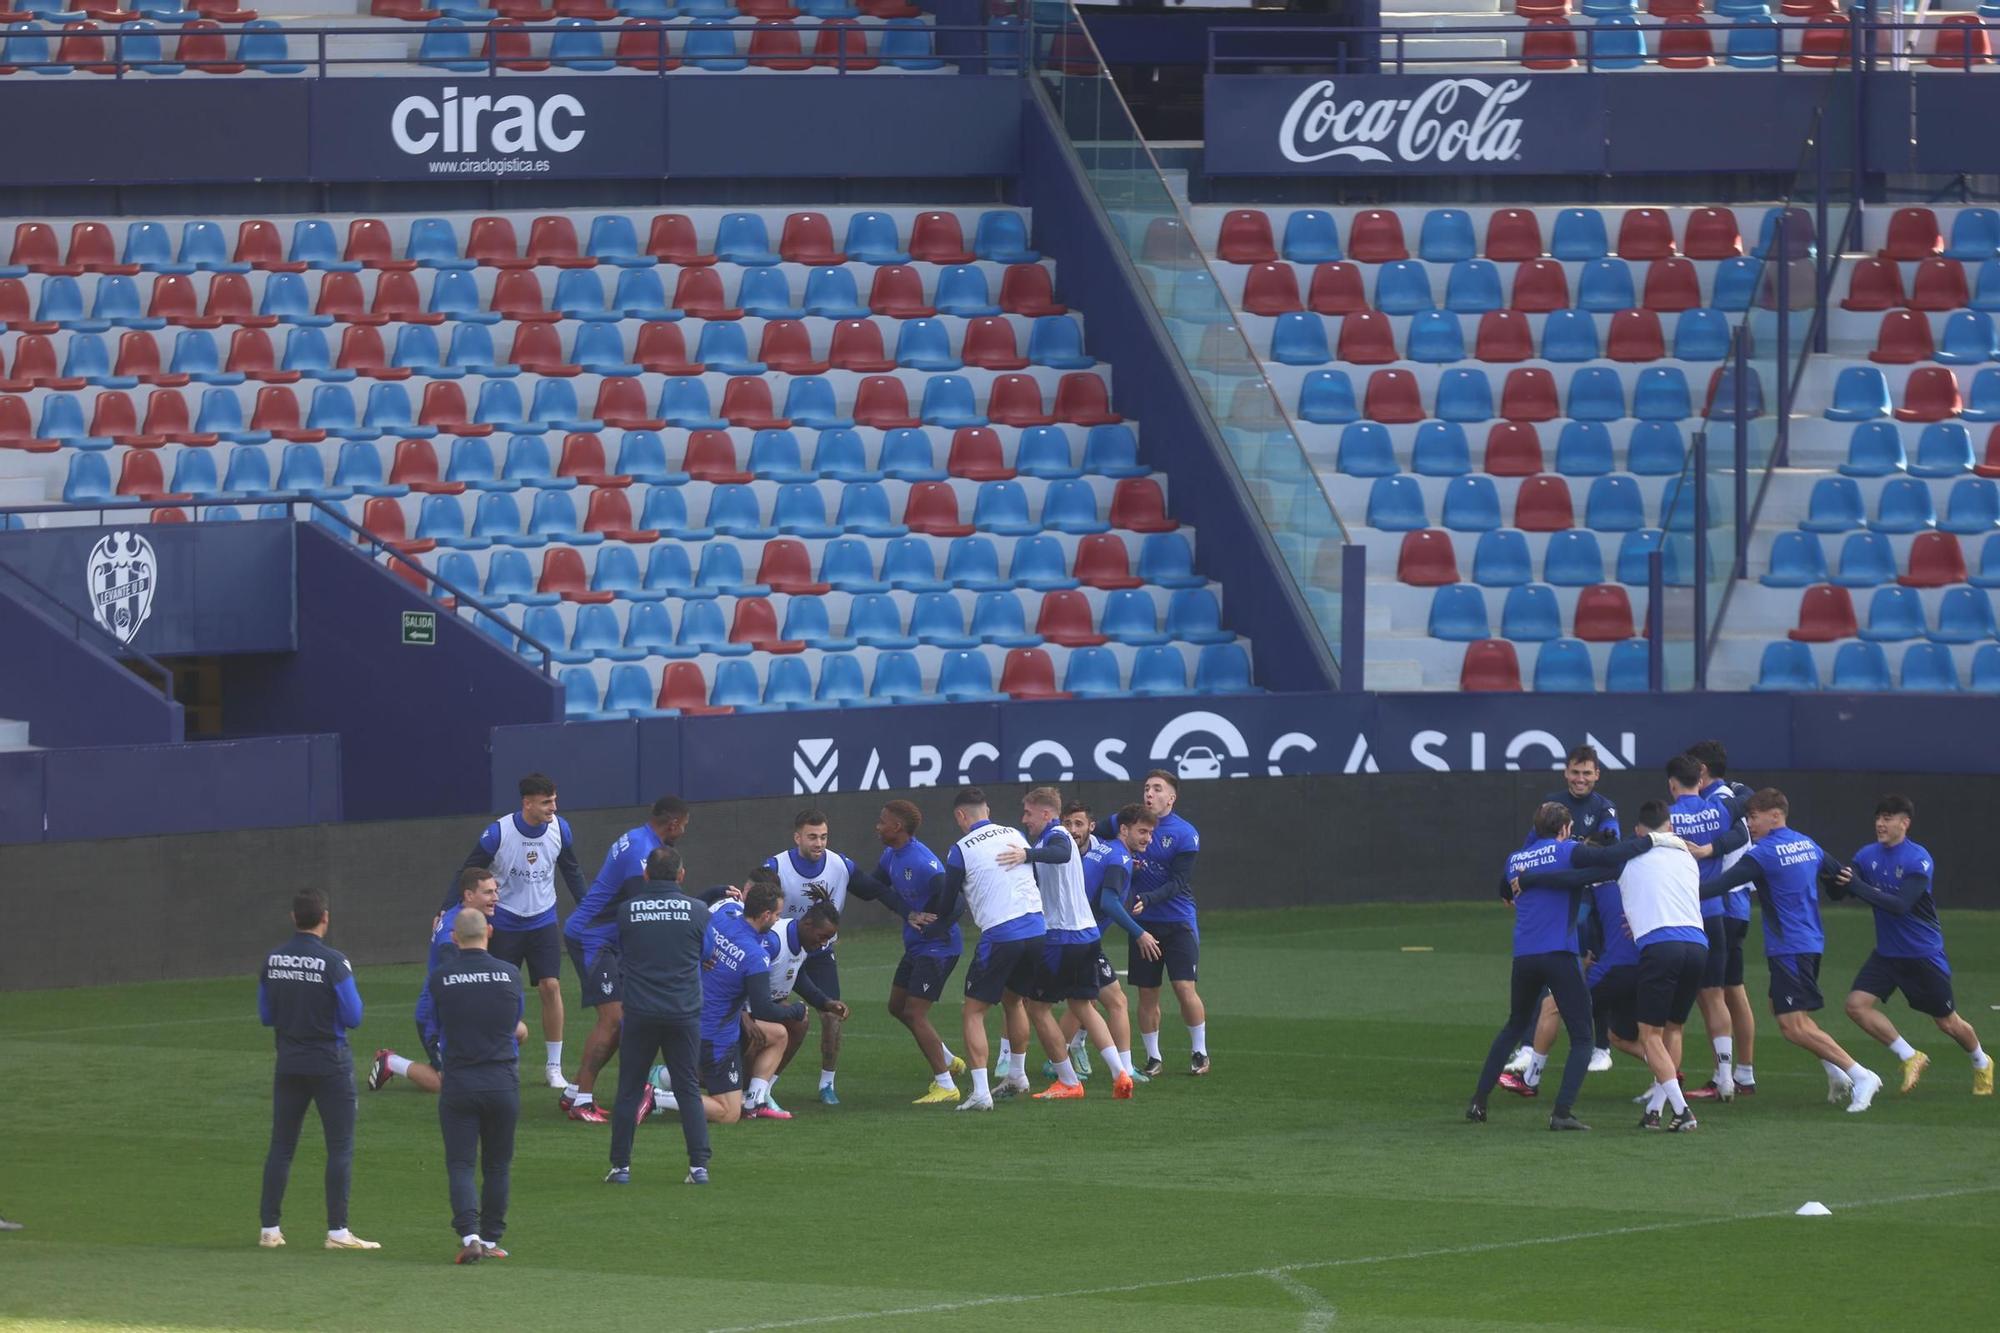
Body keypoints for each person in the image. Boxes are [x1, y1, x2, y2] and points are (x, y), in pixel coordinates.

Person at [1466, 805, 1676, 1131]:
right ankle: (1561, 1113)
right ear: (1565, 828)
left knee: (1514, 1025)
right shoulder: (1569, 851)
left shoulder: (1515, 859)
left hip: (1524, 956)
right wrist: (1655, 841)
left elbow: (1505, 892)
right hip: (1560, 955)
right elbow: (1612, 857)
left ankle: (1478, 1102)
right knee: (1582, 1037)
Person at [1690, 788, 1885, 1113]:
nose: (1749, 823)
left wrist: (1676, 891)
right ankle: (1835, 1071)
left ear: (1775, 815)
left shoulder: (1763, 853)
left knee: (1792, 1025)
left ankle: (1861, 1074)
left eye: (1753, 817)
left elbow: (1721, 885)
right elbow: (1840, 877)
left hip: (1790, 947)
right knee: (1783, 1009)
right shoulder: (1808, 843)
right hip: (1809, 942)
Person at [1834, 795, 1991, 1097]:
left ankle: (1981, 1062)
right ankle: (1910, 1056)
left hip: (1923, 955)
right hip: (1887, 955)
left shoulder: (1918, 859)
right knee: (1856, 1006)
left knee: (1947, 1023)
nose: (1880, 823)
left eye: (1888, 818)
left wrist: (1856, 885)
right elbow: (1843, 890)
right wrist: (1834, 879)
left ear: (1904, 823)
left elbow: (1900, 905)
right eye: (1878, 817)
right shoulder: (1867, 855)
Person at [257, 888, 378, 1251]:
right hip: (329, 1062)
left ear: (294, 918)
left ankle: (269, 1230)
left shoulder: (273, 960)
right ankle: (337, 1232)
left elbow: (266, 1015)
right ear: (325, 918)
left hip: (289, 1060)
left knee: (281, 1145)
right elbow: (354, 1016)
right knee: (339, 1147)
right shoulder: (334, 962)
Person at [451, 773, 586, 1091]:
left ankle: (553, 1067)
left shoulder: (560, 829)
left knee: (551, 986)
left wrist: (589, 907)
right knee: (499, 993)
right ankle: (497, 1059)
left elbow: (572, 869)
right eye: (546, 802)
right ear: (527, 803)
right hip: (506, 923)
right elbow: (468, 871)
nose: (553, 807)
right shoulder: (499, 833)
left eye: (554, 800)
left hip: (542, 920)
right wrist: (448, 908)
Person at [560, 796, 691, 1122]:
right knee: (615, 1020)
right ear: (673, 823)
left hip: (603, 938)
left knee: (622, 1019)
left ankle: (575, 1091)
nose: (683, 833)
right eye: (684, 827)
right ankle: (582, 1102)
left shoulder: (639, 838)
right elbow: (646, 908)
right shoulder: (640, 854)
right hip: (593, 939)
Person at [1000, 787, 1132, 1100]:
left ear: (1046, 814)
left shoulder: (1056, 836)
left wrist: (1027, 855)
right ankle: (1120, 1072)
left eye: (1028, 813)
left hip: (1063, 938)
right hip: (1087, 934)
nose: (1024, 819)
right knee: (1082, 1005)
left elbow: (1059, 853)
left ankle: (1069, 1081)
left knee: (1038, 1008)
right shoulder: (1049, 839)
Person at [932, 786, 1057, 1112]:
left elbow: (947, 902)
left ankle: (980, 1092)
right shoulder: (1014, 834)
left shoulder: (959, 849)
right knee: (1014, 1000)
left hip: (1002, 934)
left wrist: (933, 922)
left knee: (972, 1012)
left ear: (961, 816)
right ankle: (1017, 1074)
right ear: (986, 810)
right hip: (1036, 927)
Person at [600, 846, 714, 1186]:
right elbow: (707, 952)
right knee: (688, 1088)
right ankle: (699, 1167)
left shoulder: (627, 911)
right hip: (684, 1011)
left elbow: (618, 947)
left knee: (629, 1089)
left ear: (646, 875)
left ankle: (620, 1167)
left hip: (640, 1012)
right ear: (681, 875)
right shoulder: (698, 911)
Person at [848, 800, 968, 1104]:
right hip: (917, 947)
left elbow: (956, 902)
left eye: (882, 821)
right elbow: (871, 889)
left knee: (915, 1012)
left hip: (939, 949)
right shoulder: (891, 855)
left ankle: (946, 1085)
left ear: (897, 827)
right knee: (897, 1006)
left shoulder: (921, 862)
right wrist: (843, 871)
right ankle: (949, 1059)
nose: (877, 826)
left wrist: (933, 930)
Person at [427, 907, 528, 1264]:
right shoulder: (510, 974)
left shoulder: (441, 977)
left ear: (454, 938)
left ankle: (469, 1235)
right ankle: (490, 1238)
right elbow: (516, 1023)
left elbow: (435, 1023)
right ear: (489, 932)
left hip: (460, 1081)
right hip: (502, 1081)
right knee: (498, 1165)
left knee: (461, 1164)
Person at [1095, 771, 1207, 1077]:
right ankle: (1154, 1057)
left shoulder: (1185, 833)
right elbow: (1095, 834)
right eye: (1147, 788)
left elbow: (1180, 881)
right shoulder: (1127, 821)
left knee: (1184, 987)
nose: (1150, 793)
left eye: (1158, 789)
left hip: (1178, 920)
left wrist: (1149, 897)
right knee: (1147, 993)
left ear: (1171, 797)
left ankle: (1200, 1052)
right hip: (1143, 922)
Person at [369, 868, 498, 1095]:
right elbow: (452, 978)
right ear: (469, 896)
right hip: (437, 1017)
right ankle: (390, 1062)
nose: (495, 898)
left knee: (519, 1031)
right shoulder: (451, 931)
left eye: (495, 891)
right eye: (488, 893)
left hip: (462, 1008)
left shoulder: (467, 917)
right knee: (449, 1084)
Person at [764, 810, 856, 1106]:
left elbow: (872, 887)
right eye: (813, 836)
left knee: (831, 1015)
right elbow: (755, 897)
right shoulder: (776, 866)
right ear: (797, 837)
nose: (819, 842)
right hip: (782, 947)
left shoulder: (839, 865)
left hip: (816, 951)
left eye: (824, 836)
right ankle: (755, 1083)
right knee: (760, 1012)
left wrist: (909, 911)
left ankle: (825, 1084)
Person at [697, 882, 808, 1126]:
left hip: (691, 1015)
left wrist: (701, 956)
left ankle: (755, 1101)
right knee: (727, 1113)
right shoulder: (755, 956)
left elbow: (694, 912)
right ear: (766, 915)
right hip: (715, 1032)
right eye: (778, 914)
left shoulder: (725, 915)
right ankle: (659, 1097)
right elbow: (763, 1009)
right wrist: (796, 1010)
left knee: (777, 1035)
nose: (778, 920)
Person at [1685, 739, 1758, 1100]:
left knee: (1711, 993)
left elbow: (1741, 833)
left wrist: (1708, 850)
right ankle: (1742, 1073)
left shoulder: (1719, 800)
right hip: (1738, 903)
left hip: (1723, 904)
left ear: (1700, 770)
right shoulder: (1737, 795)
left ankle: (1726, 1075)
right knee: (1732, 989)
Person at [1665, 754, 1741, 1102]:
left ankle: (1663, 1085)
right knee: (1715, 995)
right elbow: (1742, 832)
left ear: (1672, 782)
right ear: (1701, 779)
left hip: (1680, 917)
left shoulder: (1668, 818)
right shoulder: (1720, 810)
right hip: (1715, 914)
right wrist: (1711, 848)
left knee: (1669, 1008)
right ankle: (1725, 1076)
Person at [1064, 801, 1157, 1085]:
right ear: (1124, 830)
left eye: (1151, 833)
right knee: (1116, 1001)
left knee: (1081, 1001)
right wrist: (1139, 933)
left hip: (1071, 934)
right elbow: (1109, 902)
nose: (1147, 839)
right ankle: (1125, 1069)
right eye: (1142, 831)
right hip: (1080, 937)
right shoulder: (1119, 858)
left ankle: (1057, 1056)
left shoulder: (1104, 846)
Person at [742, 903, 850, 1118]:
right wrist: (741, 1013)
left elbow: (795, 975)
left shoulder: (803, 941)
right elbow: (739, 974)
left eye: (828, 939)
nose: (823, 944)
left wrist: (825, 1002)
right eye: (822, 936)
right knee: (730, 1072)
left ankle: (762, 1091)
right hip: (738, 1008)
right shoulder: (773, 941)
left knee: (798, 1023)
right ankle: (664, 1078)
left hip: (762, 1005)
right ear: (808, 924)